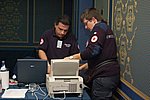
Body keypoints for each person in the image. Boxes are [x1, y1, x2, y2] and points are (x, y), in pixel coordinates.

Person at [65, 8, 120, 100]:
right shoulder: (105, 28)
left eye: (86, 23)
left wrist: (72, 57)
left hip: (103, 76)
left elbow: (93, 51)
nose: (86, 27)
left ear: (94, 20)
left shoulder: (98, 28)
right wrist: (84, 66)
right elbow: (103, 56)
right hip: (109, 74)